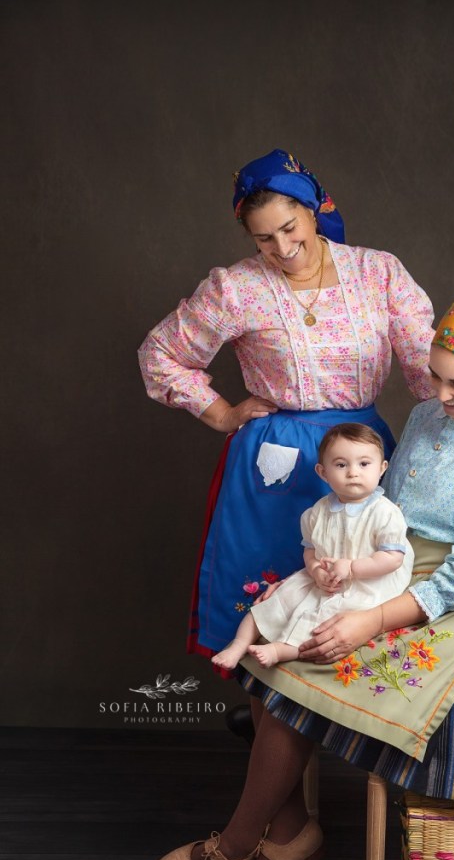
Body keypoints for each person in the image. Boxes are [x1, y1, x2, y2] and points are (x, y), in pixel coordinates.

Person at [155, 296, 454, 860]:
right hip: (389, 562)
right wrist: (331, 562)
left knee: (305, 659)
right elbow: (382, 509)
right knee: (273, 639)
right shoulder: (425, 415)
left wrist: (372, 618)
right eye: (435, 376)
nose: (440, 394)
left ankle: (237, 843)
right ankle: (289, 833)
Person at [138, 148, 434, 669]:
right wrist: (222, 413)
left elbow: (428, 366)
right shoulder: (238, 288)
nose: (282, 247)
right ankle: (265, 708)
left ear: (314, 210)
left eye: (289, 227)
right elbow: (160, 354)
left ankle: (333, 714)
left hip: (360, 454)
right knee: (273, 604)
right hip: (274, 466)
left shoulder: (377, 272)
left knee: (354, 604)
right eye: (263, 238)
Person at [211, 423, 414, 671]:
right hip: (323, 577)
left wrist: (352, 568)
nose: (353, 473)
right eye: (341, 465)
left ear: (381, 468)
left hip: (366, 581)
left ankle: (281, 650)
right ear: (323, 472)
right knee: (277, 601)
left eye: (364, 464)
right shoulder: (317, 512)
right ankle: (238, 644)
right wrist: (316, 570)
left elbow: (393, 558)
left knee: (324, 618)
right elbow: (310, 550)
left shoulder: (385, 513)